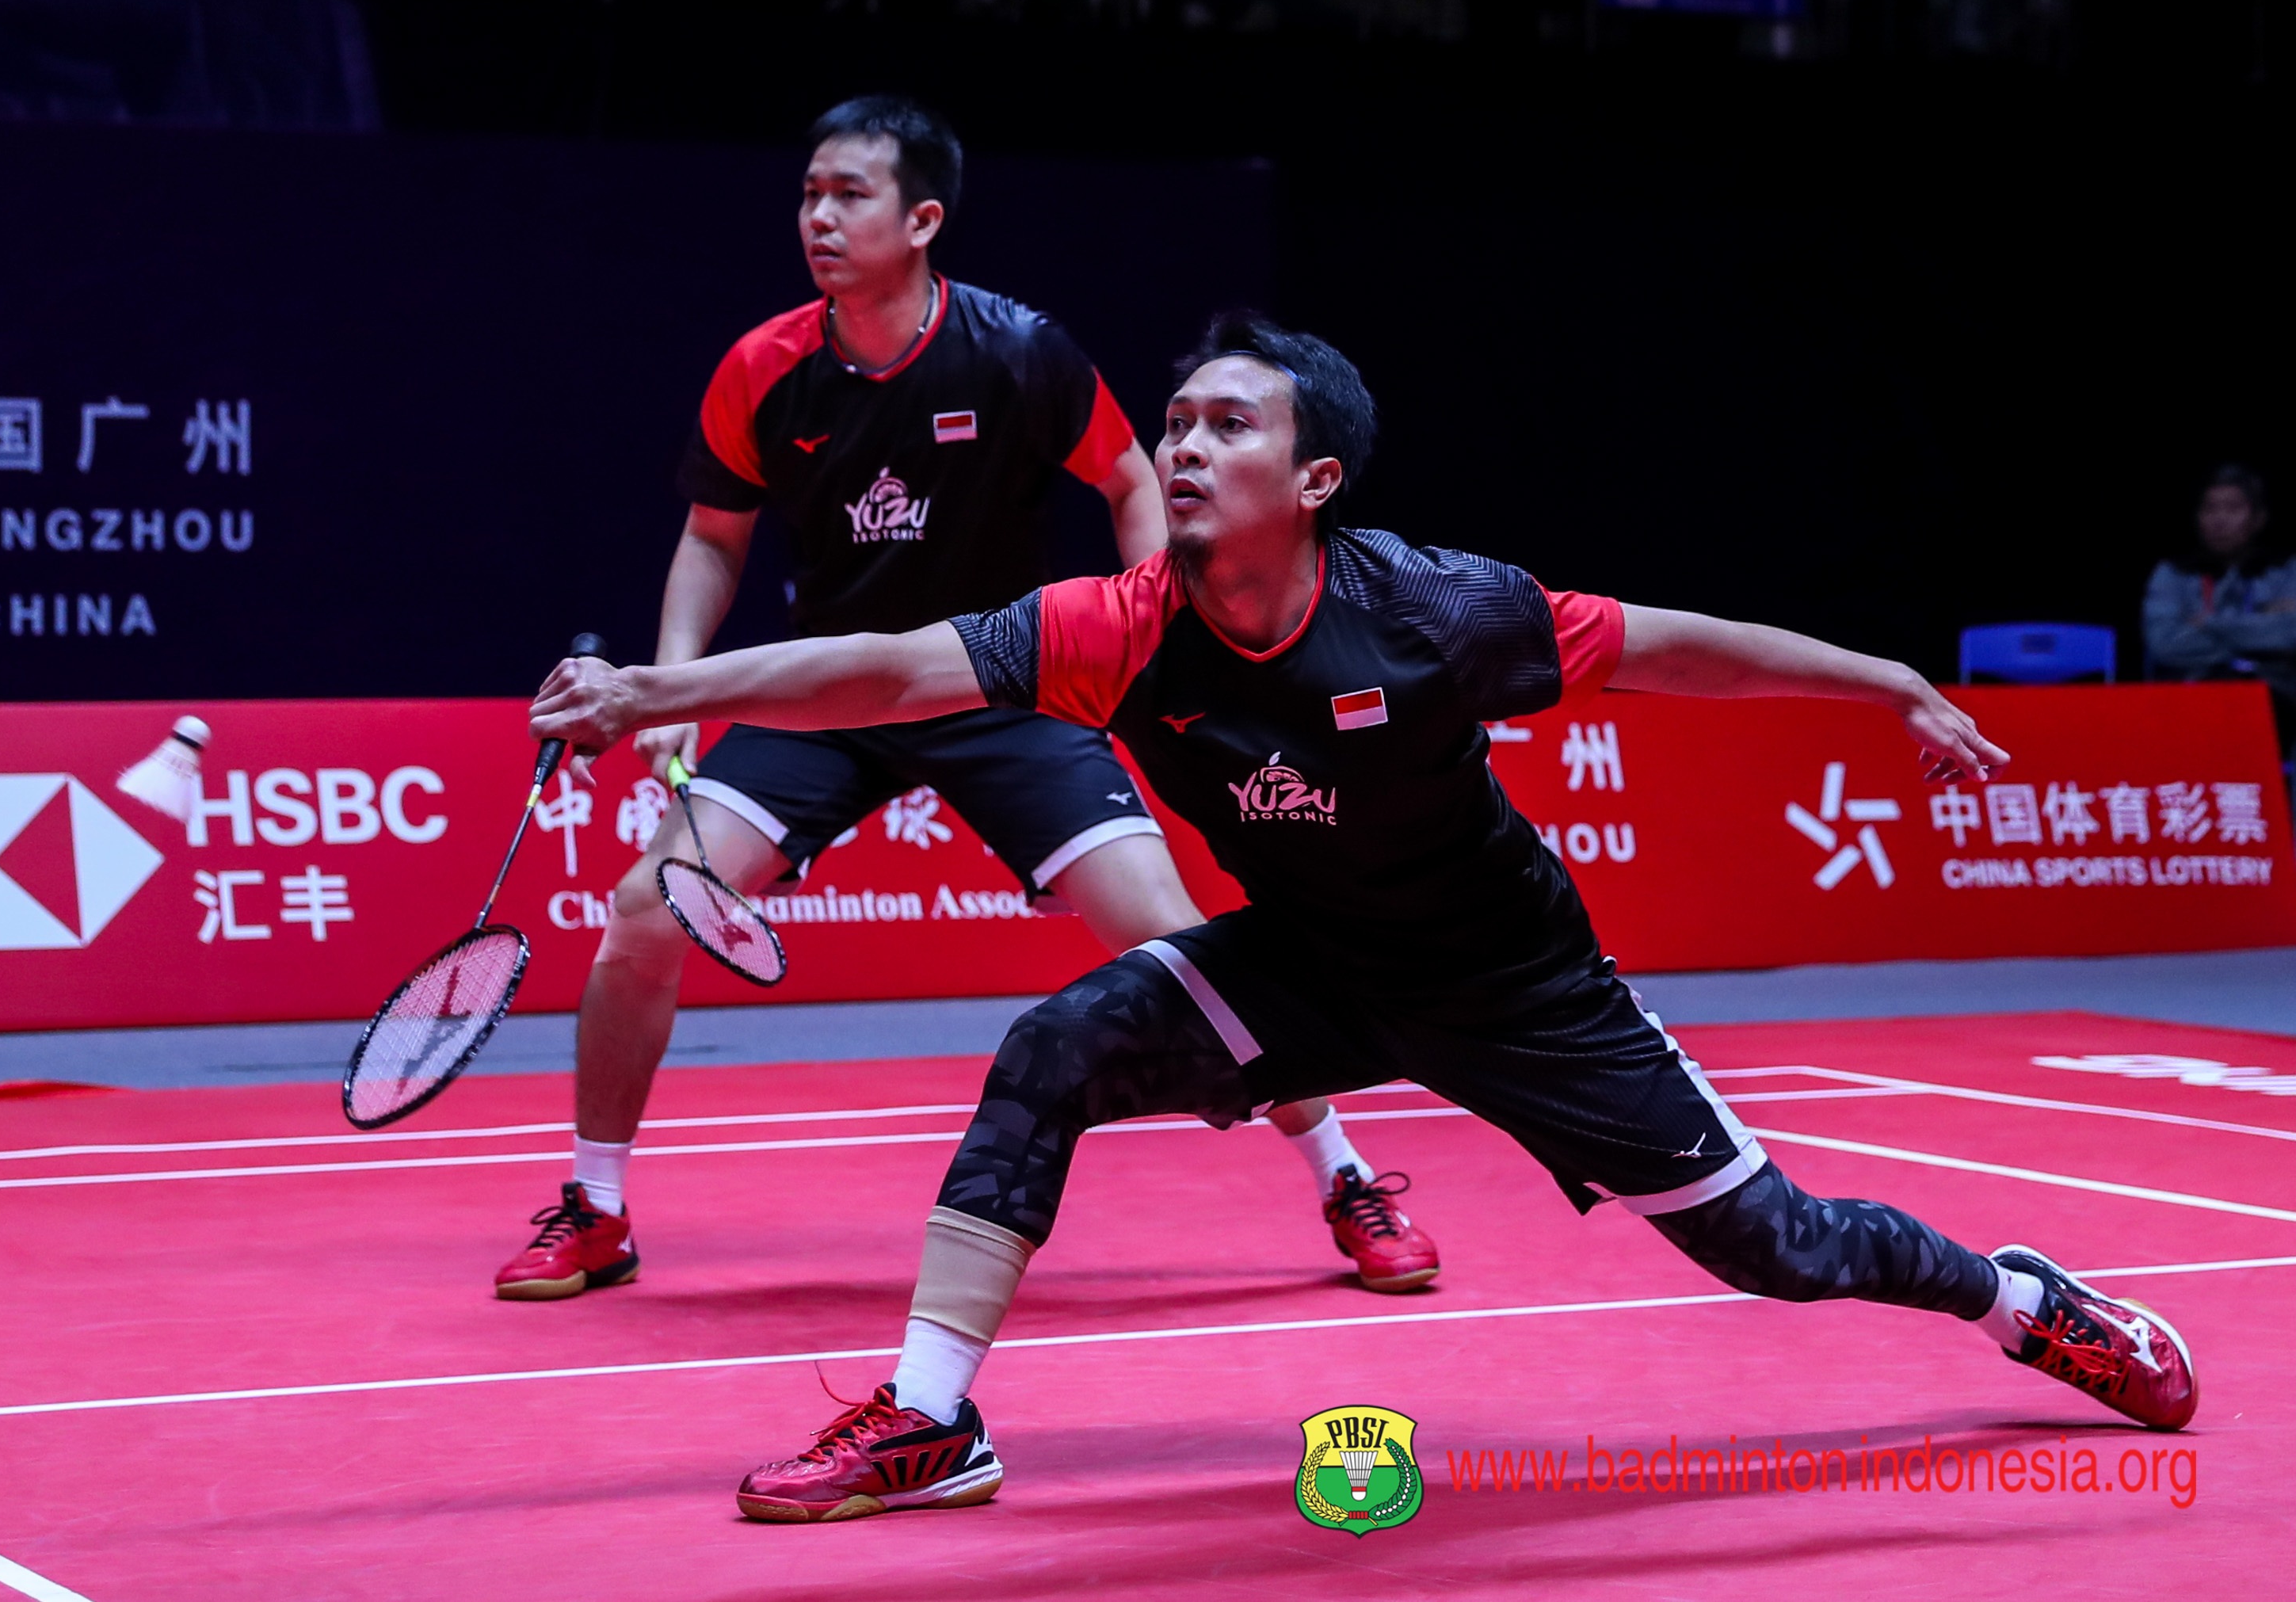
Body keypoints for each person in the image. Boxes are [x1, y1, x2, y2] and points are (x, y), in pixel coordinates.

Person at [531, 314, 2200, 1524]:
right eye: (1172, 423)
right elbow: (889, 669)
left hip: (1517, 991)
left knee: (1776, 1248)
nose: (1180, 447)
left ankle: (2021, 1301)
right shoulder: (1119, 626)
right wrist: (657, 690)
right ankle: (929, 1418)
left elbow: (1670, 643)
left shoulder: (1429, 612)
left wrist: (1877, 678)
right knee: (1052, 1046)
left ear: (1312, 475)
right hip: (1315, 967)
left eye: (1225, 427)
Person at [492, 100, 1436, 1304]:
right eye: (807, 194)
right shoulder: (763, 368)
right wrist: (672, 679)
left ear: (922, 218)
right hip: (833, 686)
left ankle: (1344, 1172)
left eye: (847, 195)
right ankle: (596, 1204)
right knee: (642, 915)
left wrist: (1144, 630)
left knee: (1172, 935)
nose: (818, 217)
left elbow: (1127, 477)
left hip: (1004, 681)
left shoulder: (1016, 351)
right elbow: (711, 535)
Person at [2144, 463, 2295, 757]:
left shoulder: (2285, 571)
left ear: (2258, 518)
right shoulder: (2174, 574)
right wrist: (2260, 627)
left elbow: (2290, 635)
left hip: (2273, 696)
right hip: (2193, 691)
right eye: (2210, 509)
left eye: (2233, 509)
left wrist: (2209, 623)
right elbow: (2164, 643)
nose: (2220, 520)